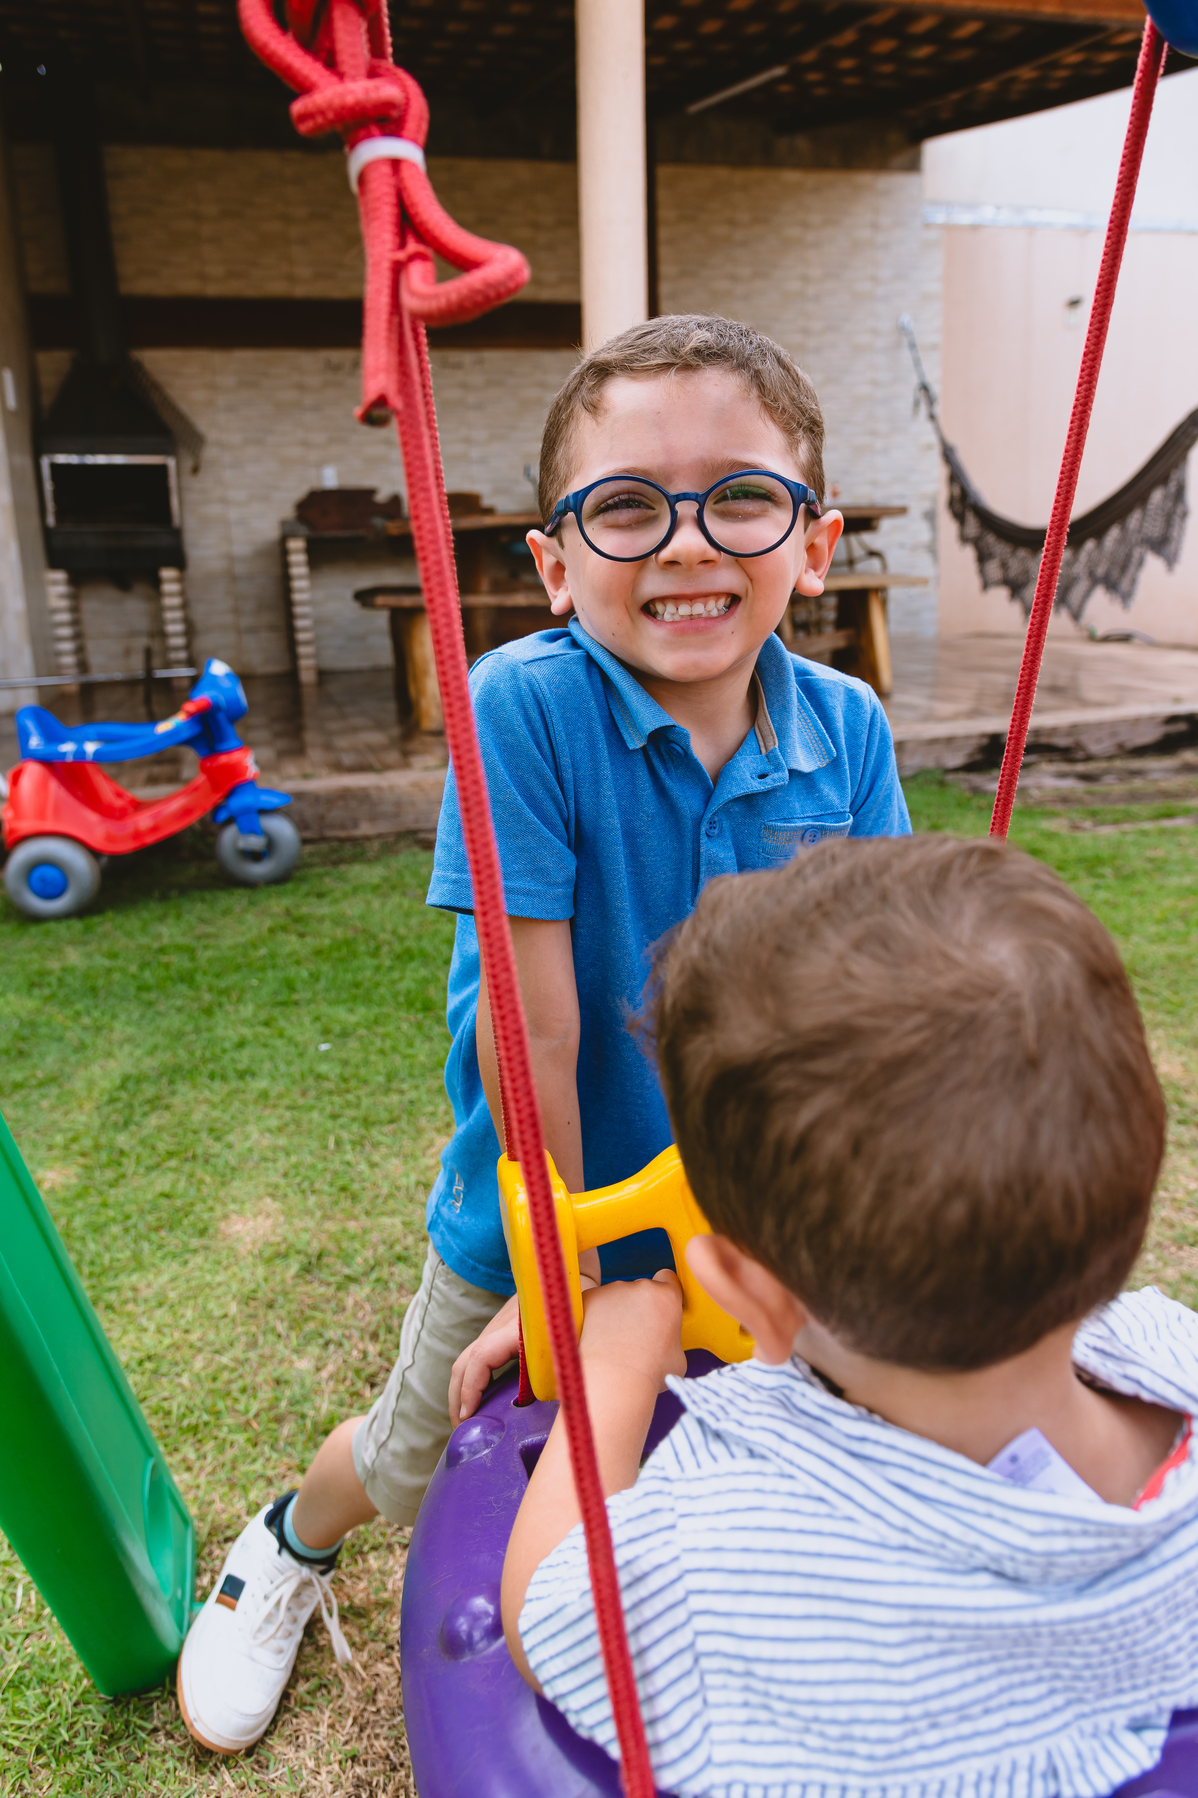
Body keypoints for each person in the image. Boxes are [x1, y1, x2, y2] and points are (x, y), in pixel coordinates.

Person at [177, 313, 911, 1753]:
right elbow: (539, 1025)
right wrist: (552, 1259)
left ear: (812, 542)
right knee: (417, 1451)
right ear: (557, 563)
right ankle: (288, 1539)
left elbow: (871, 984)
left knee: (772, 1436)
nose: (686, 544)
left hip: (757, 1205)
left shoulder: (848, 726)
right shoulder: (521, 708)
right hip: (542, 1190)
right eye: (627, 506)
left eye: (740, 499)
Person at [502, 833, 1198, 1798]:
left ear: (753, 1299)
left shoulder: (733, 1577)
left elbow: (547, 1607)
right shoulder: (1172, 1347)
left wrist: (612, 1379)